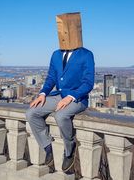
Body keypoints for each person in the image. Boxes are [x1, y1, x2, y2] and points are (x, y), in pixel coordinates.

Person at [25, 12, 95, 173]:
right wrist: (42, 93)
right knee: (31, 113)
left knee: (61, 116)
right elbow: (51, 78)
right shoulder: (56, 54)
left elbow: (88, 83)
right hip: (58, 96)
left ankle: (69, 149)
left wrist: (71, 97)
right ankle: (47, 146)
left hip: (78, 98)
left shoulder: (86, 55)